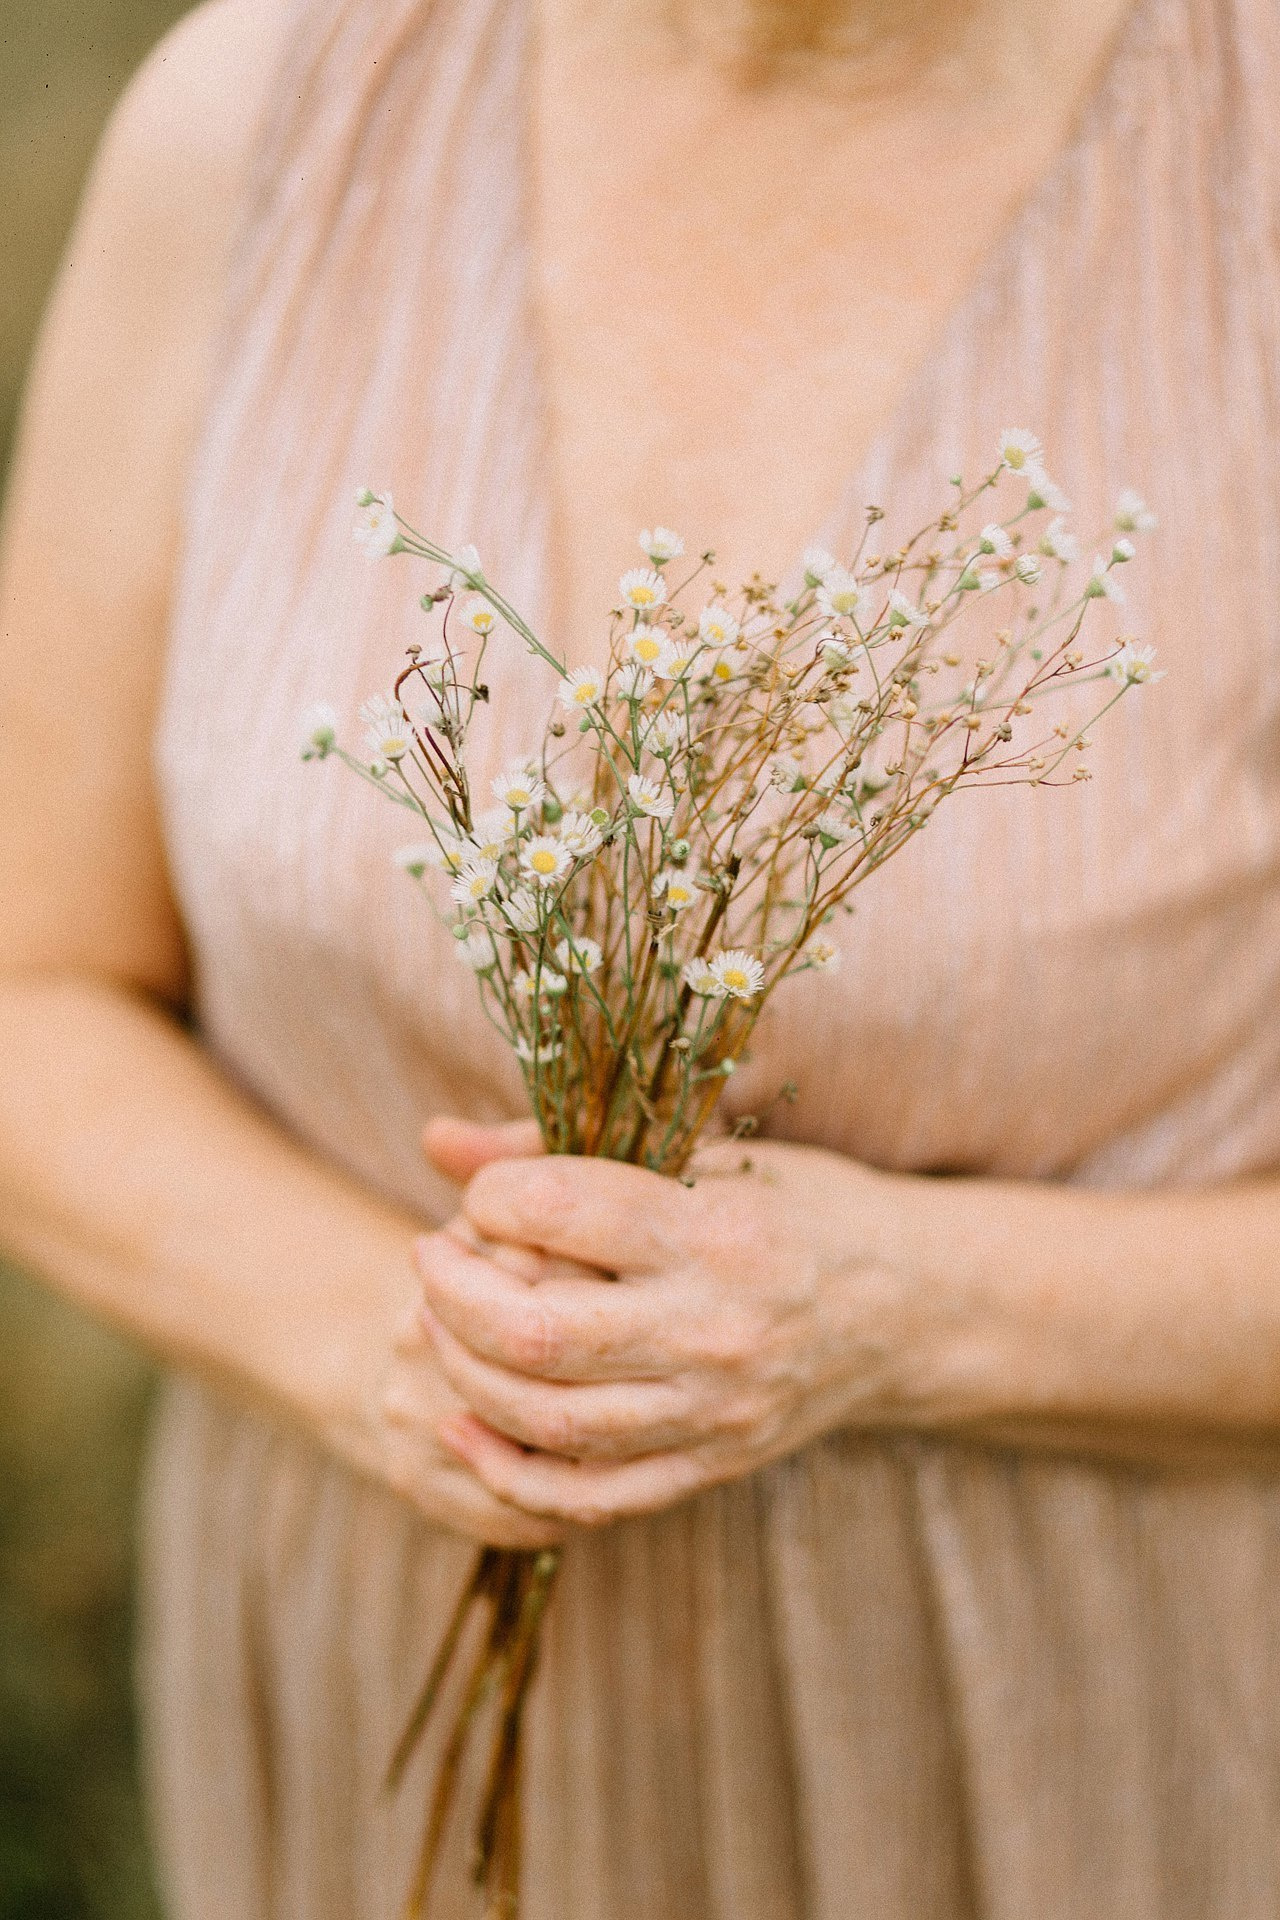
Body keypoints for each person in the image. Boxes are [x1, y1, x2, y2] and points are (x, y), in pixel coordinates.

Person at [2, 0, 1278, 1909]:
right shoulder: (260, 117)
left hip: (1083, 1714)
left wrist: (893, 1309)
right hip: (377, 1707)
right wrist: (403, 1353)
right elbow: (34, 989)